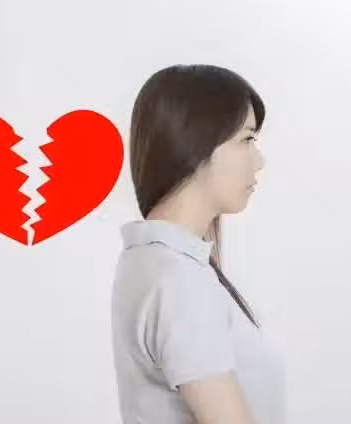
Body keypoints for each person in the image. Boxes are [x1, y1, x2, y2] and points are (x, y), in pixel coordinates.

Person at [111, 65, 285, 424]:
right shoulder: (178, 278)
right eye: (247, 139)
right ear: (195, 144)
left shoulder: (151, 260)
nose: (259, 160)